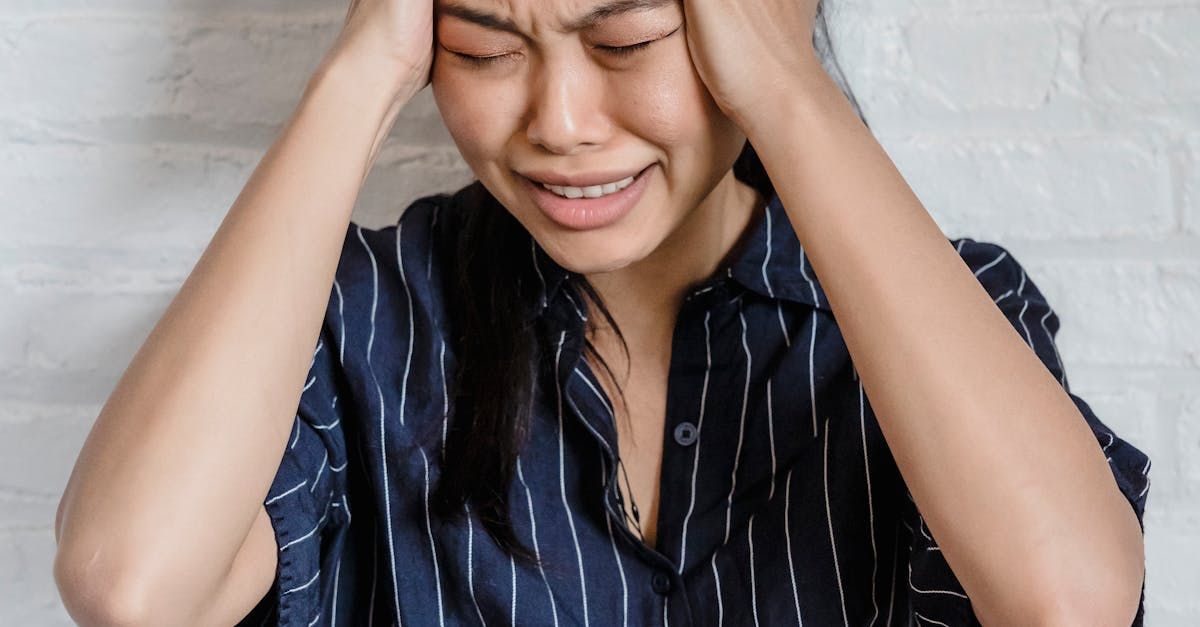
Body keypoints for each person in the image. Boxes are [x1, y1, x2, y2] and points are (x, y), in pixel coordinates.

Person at [52, 0, 1153, 624]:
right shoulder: (365, 317)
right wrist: (356, 76)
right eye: (484, 49)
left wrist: (789, 84)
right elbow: (130, 585)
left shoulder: (949, 317)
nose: (563, 121)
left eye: (625, 43)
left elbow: (1069, 601)